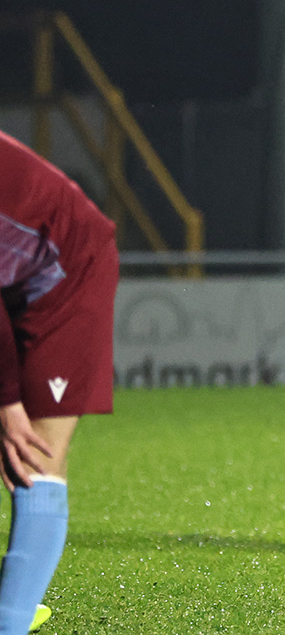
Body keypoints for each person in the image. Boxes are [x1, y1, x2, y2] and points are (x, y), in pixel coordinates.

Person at [0, 129, 119, 634]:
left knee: (34, 454)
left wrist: (8, 404)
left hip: (68, 270)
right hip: (13, 273)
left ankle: (10, 620)